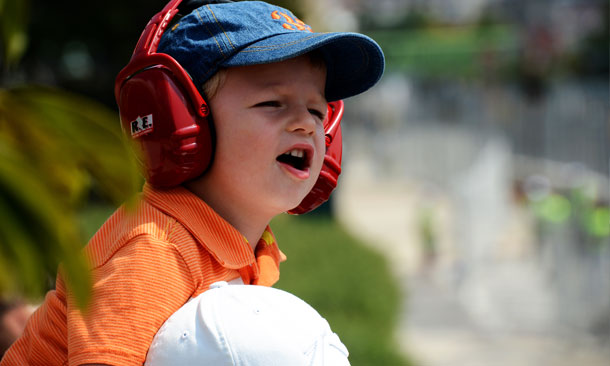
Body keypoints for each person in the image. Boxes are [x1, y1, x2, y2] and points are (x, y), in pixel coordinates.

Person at [1, 0, 384, 365]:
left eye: (318, 111)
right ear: (180, 120)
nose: (306, 123)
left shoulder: (249, 250)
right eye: (272, 103)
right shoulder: (153, 249)